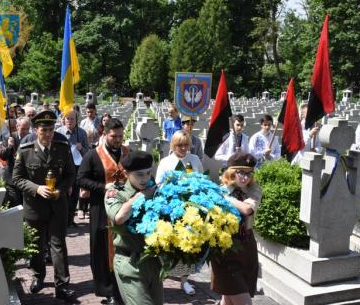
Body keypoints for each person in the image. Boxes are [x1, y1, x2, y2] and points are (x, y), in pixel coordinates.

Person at [12, 110, 76, 301]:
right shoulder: (25, 149)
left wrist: (61, 190)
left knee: (58, 245)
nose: (48, 134)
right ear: (35, 130)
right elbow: (17, 178)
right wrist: (36, 188)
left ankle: (62, 285)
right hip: (34, 206)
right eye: (44, 130)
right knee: (37, 246)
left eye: (50, 129)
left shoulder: (62, 147)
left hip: (57, 205)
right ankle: (38, 276)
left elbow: (70, 174)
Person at [77, 118, 128, 304]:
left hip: (125, 209)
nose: (118, 140)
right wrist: (103, 187)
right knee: (101, 249)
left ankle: (123, 286)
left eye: (121, 136)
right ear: (104, 134)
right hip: (101, 209)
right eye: (114, 136)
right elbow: (81, 179)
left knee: (124, 247)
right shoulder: (92, 155)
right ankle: (107, 290)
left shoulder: (127, 153)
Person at [105, 151, 163, 305]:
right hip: (130, 263)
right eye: (139, 174)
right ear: (126, 173)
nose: (145, 178)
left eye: (148, 173)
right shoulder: (116, 192)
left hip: (154, 262)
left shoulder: (157, 191)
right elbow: (119, 217)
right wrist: (142, 195)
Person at [155, 130, 203, 295]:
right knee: (170, 242)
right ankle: (163, 275)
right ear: (173, 145)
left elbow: (200, 179)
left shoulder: (194, 160)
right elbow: (158, 184)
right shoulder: (166, 162)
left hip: (191, 209)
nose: (183, 148)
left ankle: (185, 280)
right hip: (171, 209)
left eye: (186, 145)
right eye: (179, 145)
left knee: (188, 243)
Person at [211, 152, 262, 305]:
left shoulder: (254, 190)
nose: (245, 177)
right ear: (231, 172)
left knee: (228, 299)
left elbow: (247, 209)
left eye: (249, 173)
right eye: (241, 172)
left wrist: (224, 198)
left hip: (246, 247)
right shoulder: (221, 189)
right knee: (242, 300)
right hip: (224, 249)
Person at [57, 109, 89, 226]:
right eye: (67, 118)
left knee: (74, 194)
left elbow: (88, 153)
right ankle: (63, 219)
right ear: (64, 120)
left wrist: (82, 149)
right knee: (63, 193)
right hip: (62, 168)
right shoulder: (59, 132)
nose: (69, 121)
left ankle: (70, 219)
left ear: (76, 120)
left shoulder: (81, 133)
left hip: (77, 168)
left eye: (72, 119)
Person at [0, 117, 30, 207]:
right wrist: (9, 147)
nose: (25, 131)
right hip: (12, 178)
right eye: (23, 129)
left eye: (27, 129)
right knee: (16, 203)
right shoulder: (9, 137)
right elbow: (3, 157)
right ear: (17, 126)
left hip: (26, 178)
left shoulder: (32, 138)